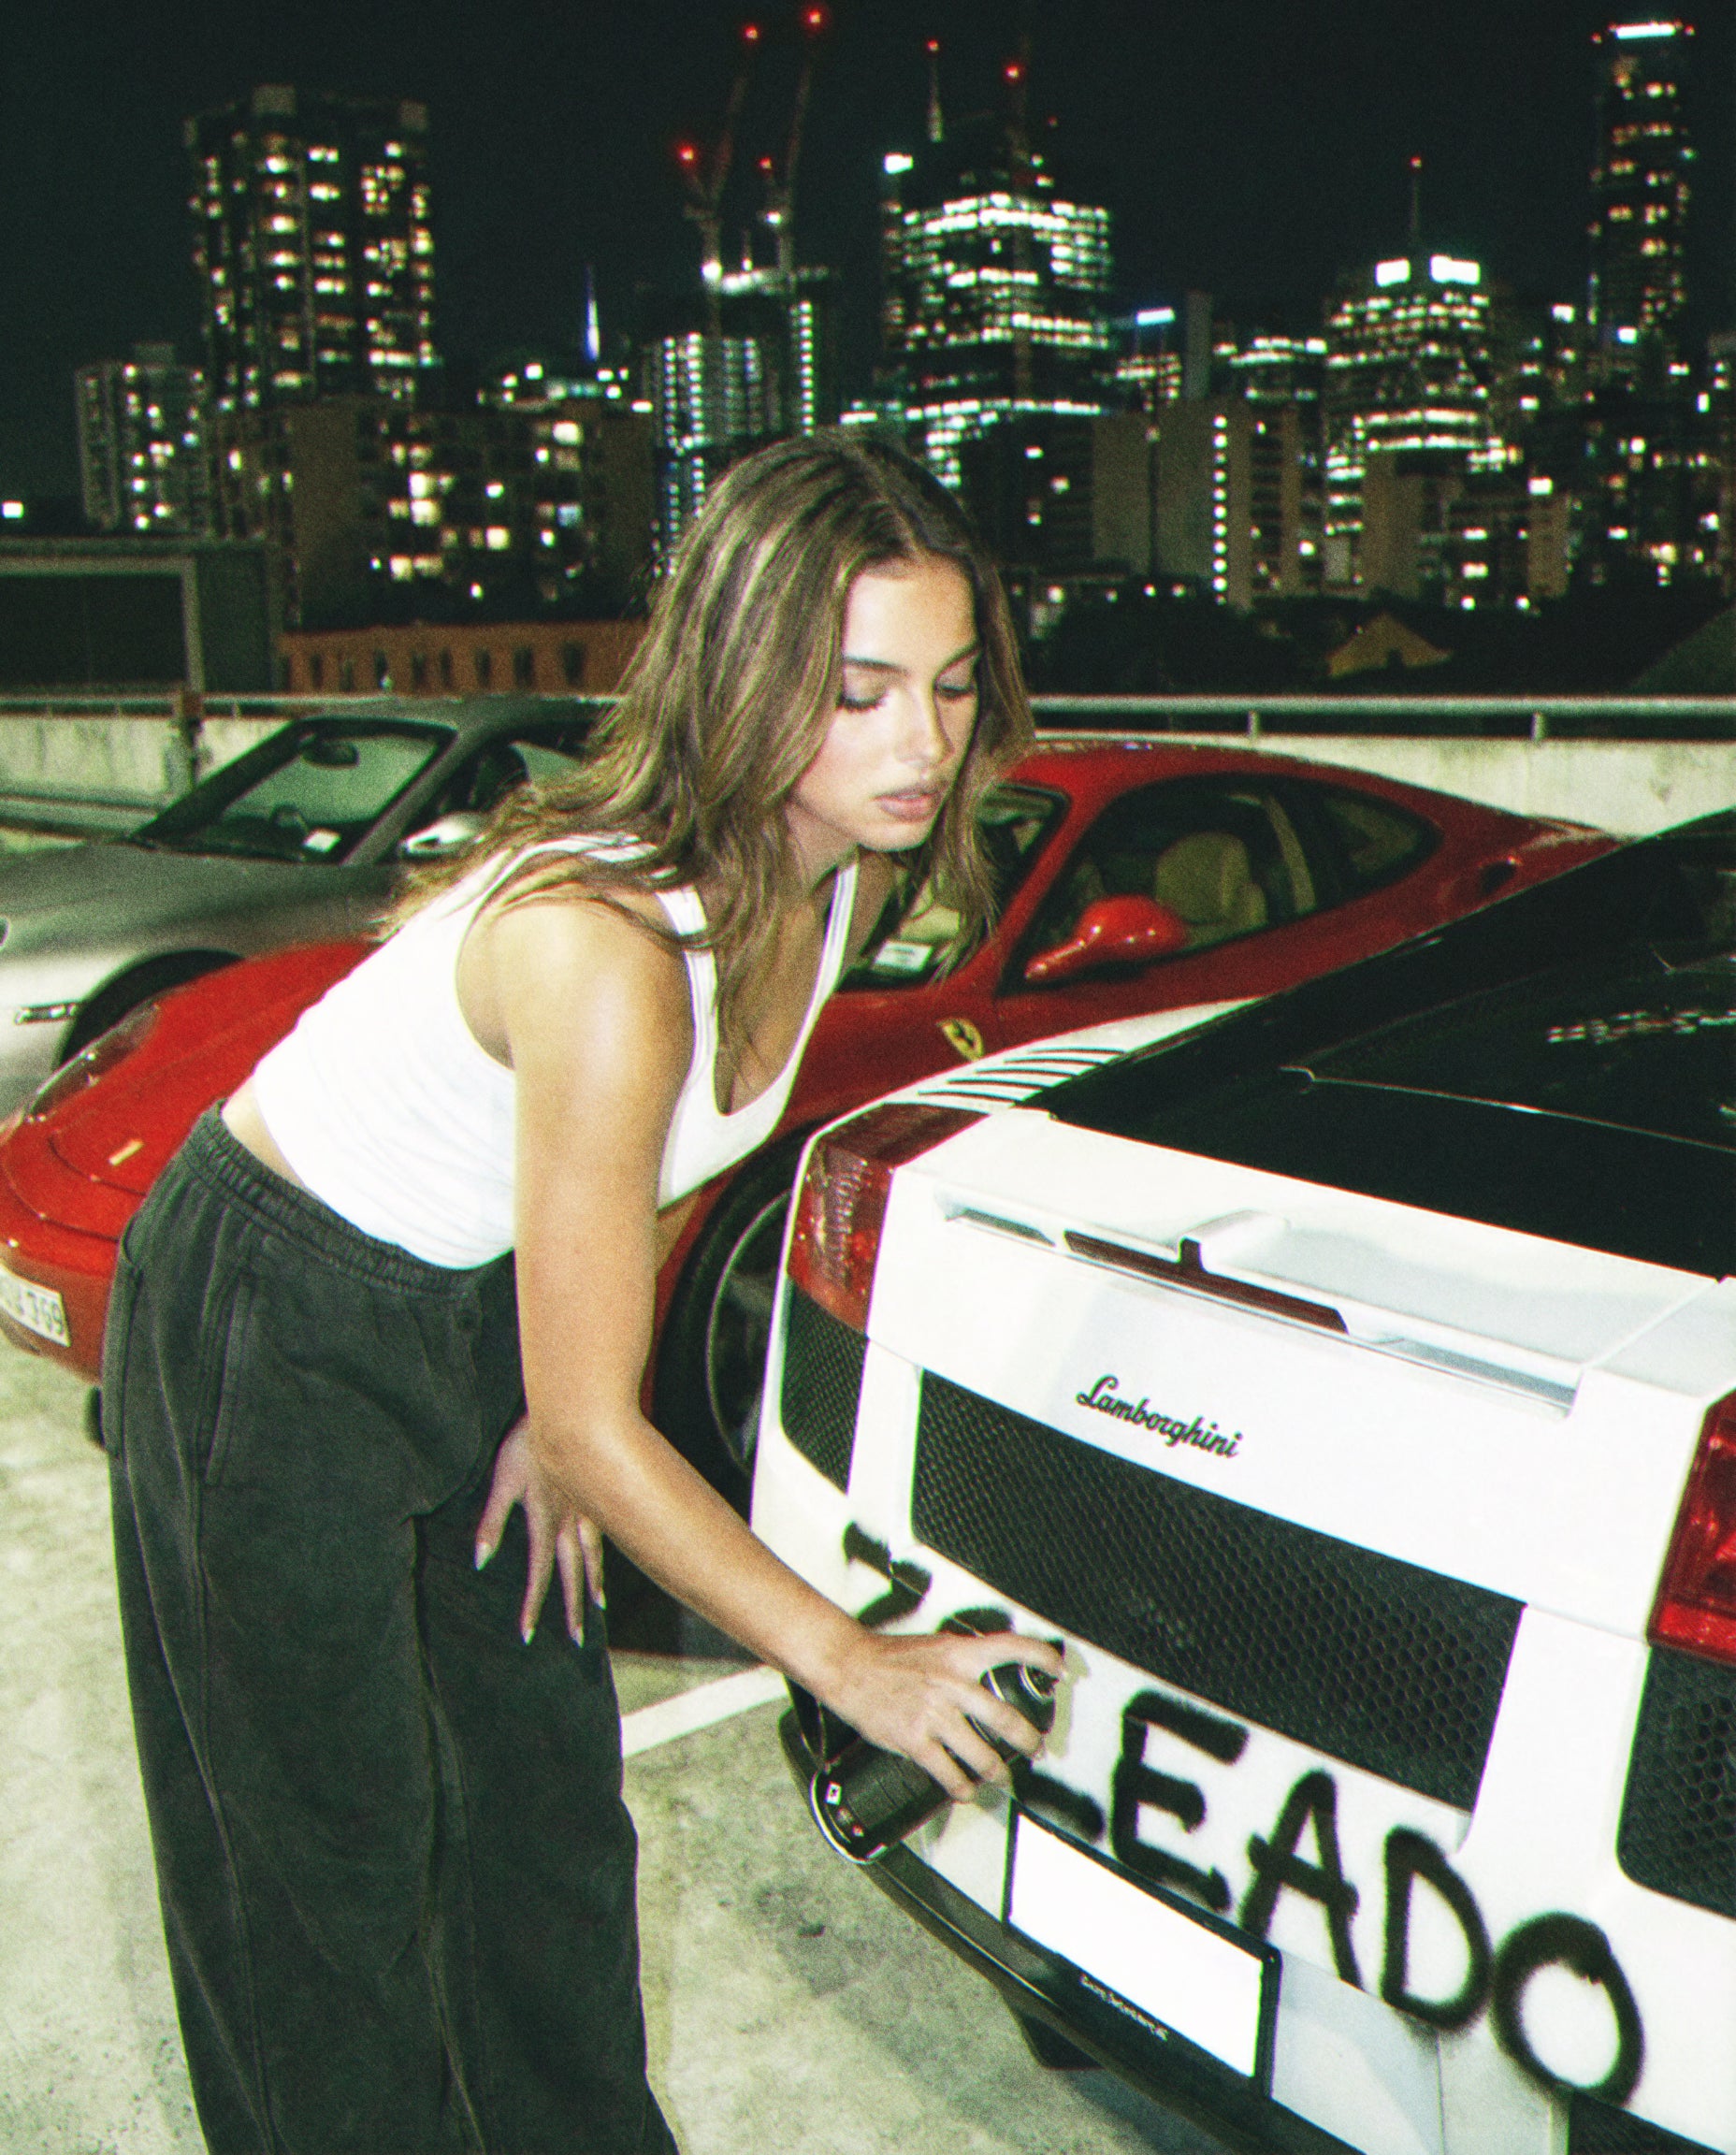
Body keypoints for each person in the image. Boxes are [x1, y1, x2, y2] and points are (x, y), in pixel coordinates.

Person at [104, 432, 1063, 2155]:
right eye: (857, 692)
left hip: (470, 1294)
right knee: (327, 1860)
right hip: (275, 1297)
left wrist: (570, 1380)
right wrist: (852, 1662)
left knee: (543, 1812)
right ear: (742, 679)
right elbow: (627, 1150)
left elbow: (653, 1157)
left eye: (949, 685)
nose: (923, 745)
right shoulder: (607, 947)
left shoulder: (843, 860)